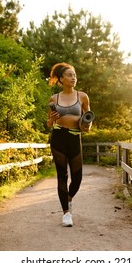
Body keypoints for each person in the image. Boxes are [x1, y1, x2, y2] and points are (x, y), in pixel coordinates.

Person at [47, 62, 92, 227]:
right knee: (62, 176)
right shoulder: (54, 98)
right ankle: (66, 213)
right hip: (58, 137)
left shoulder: (82, 96)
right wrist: (52, 118)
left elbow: (88, 120)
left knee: (77, 177)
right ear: (61, 79)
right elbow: (49, 124)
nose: (73, 78)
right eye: (70, 75)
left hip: (75, 137)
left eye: (74, 75)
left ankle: (69, 198)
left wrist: (86, 126)